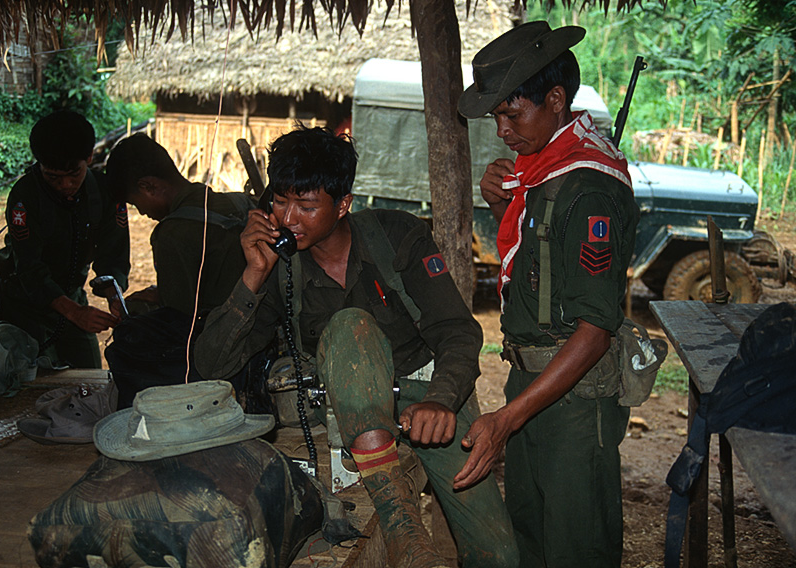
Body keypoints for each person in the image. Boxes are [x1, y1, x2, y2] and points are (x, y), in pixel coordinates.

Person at [194, 126, 518, 568]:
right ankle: (401, 523)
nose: (289, 220)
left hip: (425, 397)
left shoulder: (396, 236)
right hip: (339, 409)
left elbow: (458, 332)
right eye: (280, 202)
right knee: (350, 326)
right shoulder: (277, 266)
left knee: (498, 553)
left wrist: (442, 401)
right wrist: (253, 276)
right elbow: (209, 366)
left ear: (342, 205)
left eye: (307, 206)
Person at [454, 21, 641, 568]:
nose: (503, 132)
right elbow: (542, 272)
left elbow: (593, 330)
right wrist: (501, 205)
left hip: (575, 396)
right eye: (497, 118)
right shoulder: (545, 172)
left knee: (575, 544)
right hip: (534, 381)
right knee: (532, 536)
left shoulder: (588, 187)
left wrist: (508, 418)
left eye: (513, 115)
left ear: (556, 101)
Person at [0, 110, 130, 368]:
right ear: (40, 164)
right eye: (53, 177)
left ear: (89, 158)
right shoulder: (25, 197)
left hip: (73, 299)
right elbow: (29, 269)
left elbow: (114, 255)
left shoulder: (104, 193)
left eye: (74, 174)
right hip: (25, 308)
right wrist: (75, 313)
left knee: (90, 376)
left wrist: (115, 296)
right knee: (34, 382)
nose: (66, 185)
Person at [106, 133, 255, 315]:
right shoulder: (238, 203)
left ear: (148, 187)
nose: (143, 213)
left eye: (136, 204)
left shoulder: (172, 234)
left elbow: (178, 321)